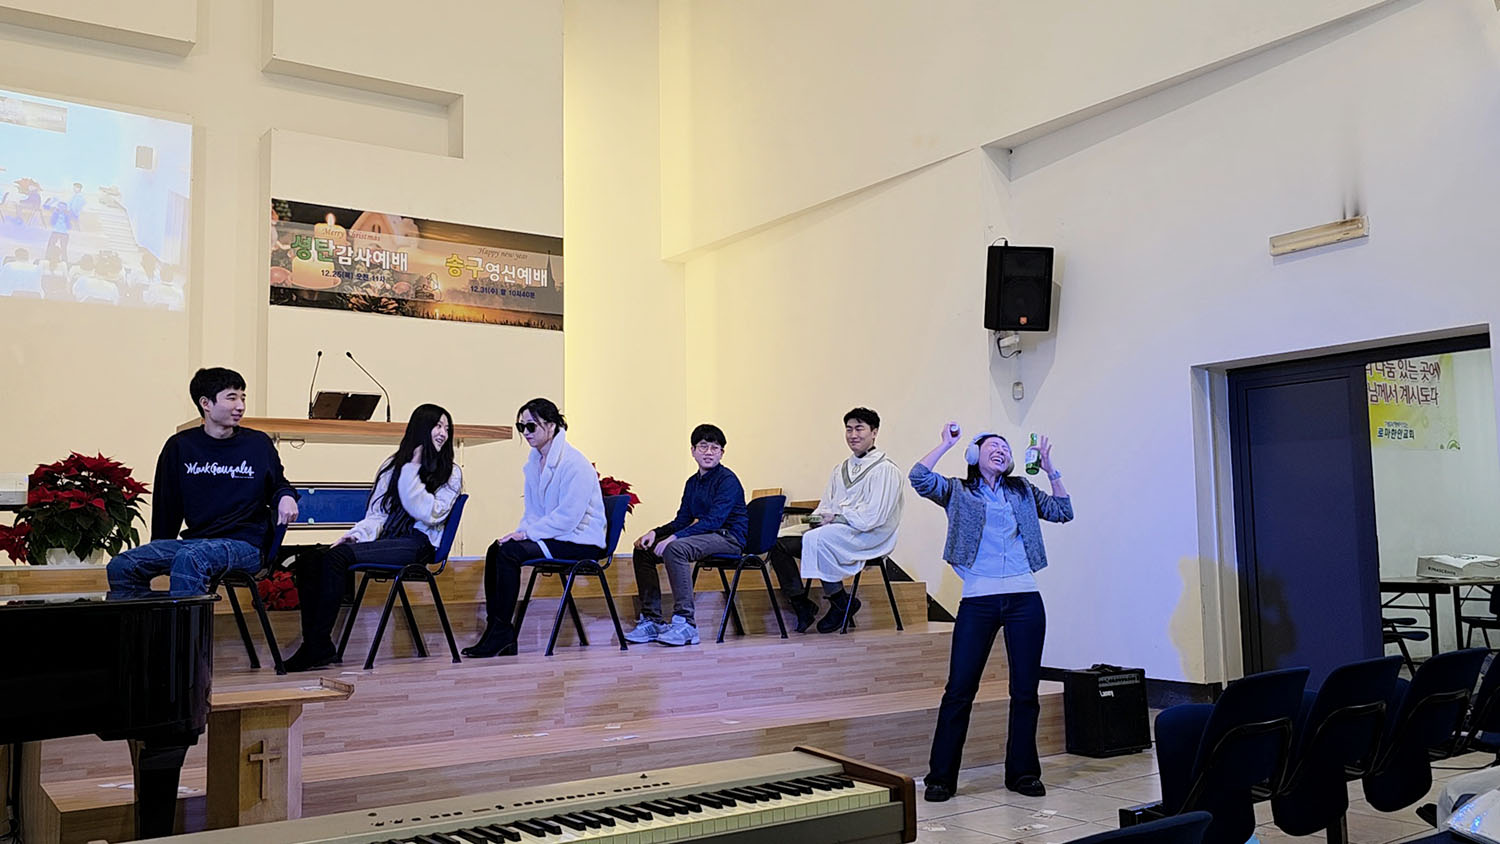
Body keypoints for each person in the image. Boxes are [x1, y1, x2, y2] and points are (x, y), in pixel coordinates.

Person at [910, 423, 1073, 802]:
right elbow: (918, 478)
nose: (1000, 450)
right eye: (992, 446)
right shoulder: (958, 490)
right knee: (959, 689)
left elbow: (1063, 511)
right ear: (974, 455)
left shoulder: (1023, 490)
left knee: (1025, 691)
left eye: (1005, 447)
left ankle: (1023, 773)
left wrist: (1050, 469)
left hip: (1024, 597)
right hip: (979, 598)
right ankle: (941, 777)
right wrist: (946, 444)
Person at [284, 404, 463, 672]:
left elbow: (430, 512)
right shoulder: (392, 466)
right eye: (437, 426)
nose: (443, 434)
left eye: (447, 428)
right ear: (421, 428)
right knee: (310, 559)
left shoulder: (451, 472)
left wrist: (412, 471)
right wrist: (355, 536)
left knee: (337, 559)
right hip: (388, 539)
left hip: (419, 543)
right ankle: (315, 645)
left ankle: (316, 646)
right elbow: (377, 514)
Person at [106, 368, 299, 595]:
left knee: (192, 559)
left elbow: (279, 484)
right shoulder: (180, 446)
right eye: (232, 398)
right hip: (196, 541)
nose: (240, 406)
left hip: (246, 545)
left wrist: (286, 497)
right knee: (122, 565)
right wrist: (160, 546)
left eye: (243, 398)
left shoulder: (258, 443)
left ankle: (186, 620)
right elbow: (167, 504)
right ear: (206, 403)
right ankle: (153, 619)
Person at [463, 398, 606, 657]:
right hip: (556, 536)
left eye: (531, 426)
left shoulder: (575, 464)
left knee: (510, 553)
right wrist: (520, 533)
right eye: (522, 427)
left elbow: (568, 517)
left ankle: (502, 633)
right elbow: (532, 512)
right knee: (497, 549)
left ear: (551, 426)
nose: (526, 433)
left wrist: (527, 535)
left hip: (581, 540)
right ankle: (497, 629)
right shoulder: (534, 463)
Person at [767, 407, 903, 633]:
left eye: (859, 428)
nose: (853, 435)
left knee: (821, 538)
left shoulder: (885, 470)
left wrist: (837, 518)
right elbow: (825, 507)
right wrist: (813, 518)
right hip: (837, 529)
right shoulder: (840, 469)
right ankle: (801, 604)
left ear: (874, 432)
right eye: (849, 429)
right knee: (777, 541)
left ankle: (839, 600)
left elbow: (874, 516)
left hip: (868, 534)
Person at [625, 424, 748, 647]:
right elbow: (682, 520)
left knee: (676, 548)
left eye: (715, 448)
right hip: (706, 536)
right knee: (643, 550)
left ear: (722, 453)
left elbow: (714, 521)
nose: (709, 452)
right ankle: (652, 620)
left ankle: (686, 624)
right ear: (693, 450)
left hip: (729, 538)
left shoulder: (727, 480)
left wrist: (675, 538)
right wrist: (655, 533)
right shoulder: (692, 482)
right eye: (703, 446)